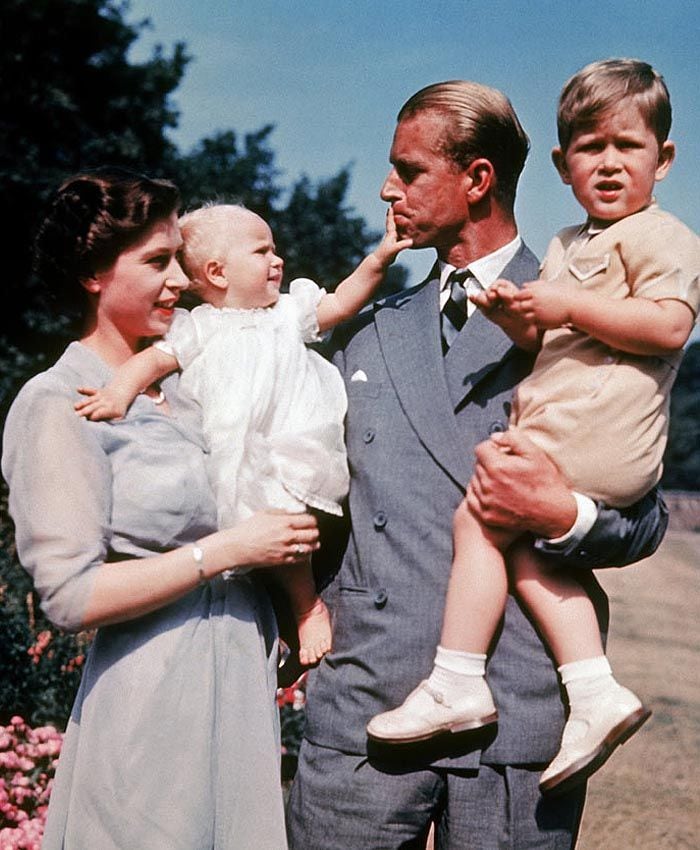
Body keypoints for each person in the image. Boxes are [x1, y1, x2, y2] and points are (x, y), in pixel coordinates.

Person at [286, 80, 669, 850]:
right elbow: (305, 497)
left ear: (478, 178)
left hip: (517, 711)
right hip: (366, 705)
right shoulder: (366, 333)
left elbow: (644, 516)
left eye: (409, 169)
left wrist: (566, 517)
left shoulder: (588, 310)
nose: (387, 188)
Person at [366, 59, 699, 795]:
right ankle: (593, 689)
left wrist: (563, 307)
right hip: (369, 688)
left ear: (664, 159)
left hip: (595, 444)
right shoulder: (565, 249)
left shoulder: (660, 237)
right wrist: (526, 323)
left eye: (628, 147)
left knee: (483, 518)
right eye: (589, 149)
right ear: (562, 164)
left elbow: (671, 326)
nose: (609, 165)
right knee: (506, 538)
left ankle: (461, 678)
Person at [1, 167, 322, 850]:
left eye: (180, 257)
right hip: (149, 708)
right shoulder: (59, 403)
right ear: (93, 274)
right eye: (157, 261)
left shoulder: (188, 393)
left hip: (239, 686)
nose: (180, 279)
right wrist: (229, 552)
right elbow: (69, 597)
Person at [73, 202, 410, 669]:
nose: (278, 260)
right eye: (262, 251)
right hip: (229, 450)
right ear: (217, 272)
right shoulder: (199, 327)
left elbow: (339, 302)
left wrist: (380, 257)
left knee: (284, 522)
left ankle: (306, 605)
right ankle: (281, 627)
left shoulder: (287, 313)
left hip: (289, 445)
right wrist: (117, 392)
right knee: (244, 537)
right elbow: (152, 361)